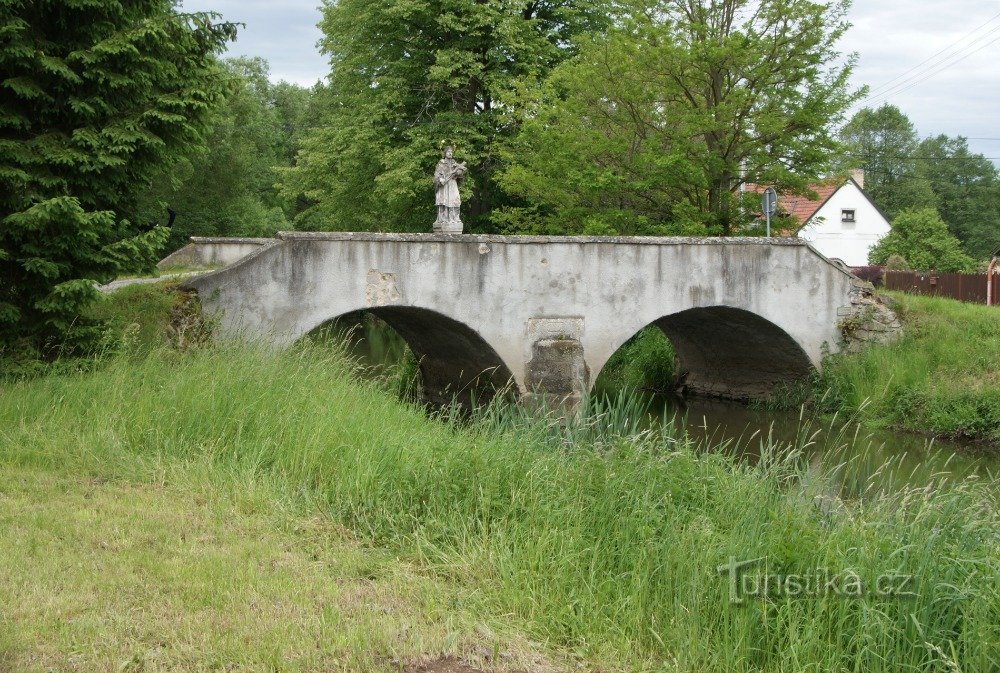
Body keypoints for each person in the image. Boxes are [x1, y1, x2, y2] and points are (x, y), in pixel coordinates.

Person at [433, 145, 467, 232]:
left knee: (455, 200)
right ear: (445, 153)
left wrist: (459, 173)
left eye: (451, 152)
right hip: (444, 186)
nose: (450, 153)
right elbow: (436, 175)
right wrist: (440, 180)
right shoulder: (441, 163)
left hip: (452, 184)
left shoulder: (455, 163)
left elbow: (460, 174)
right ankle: (443, 219)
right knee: (444, 201)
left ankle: (454, 218)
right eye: (448, 152)